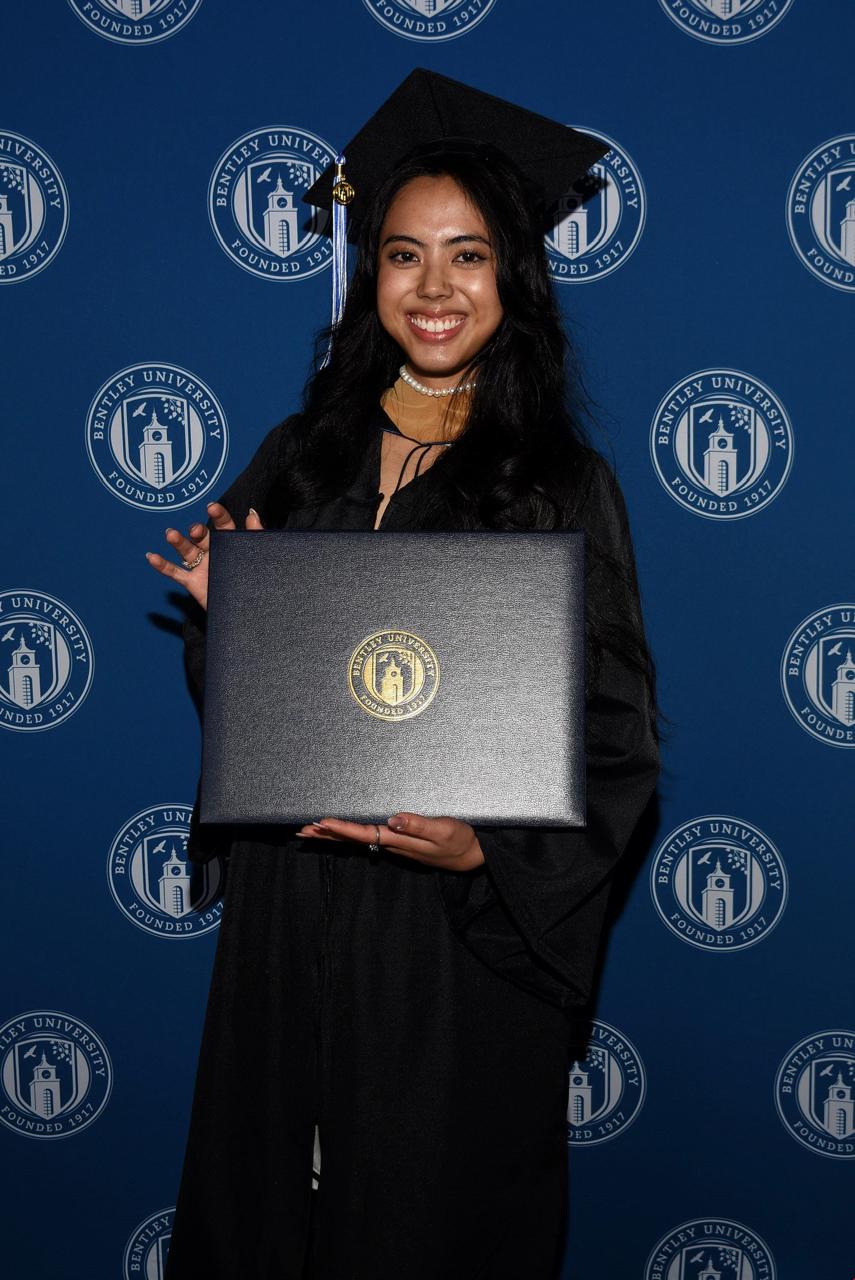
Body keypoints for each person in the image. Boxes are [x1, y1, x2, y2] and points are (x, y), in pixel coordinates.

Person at [147, 70, 659, 1280]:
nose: (433, 289)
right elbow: (255, 713)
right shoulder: (302, 451)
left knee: (430, 1224)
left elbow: (618, 732)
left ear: (514, 277)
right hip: (289, 910)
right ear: (367, 274)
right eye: (402, 255)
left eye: (468, 256)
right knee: (269, 1215)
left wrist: (489, 848)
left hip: (449, 944)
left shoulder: (556, 481)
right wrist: (235, 623)